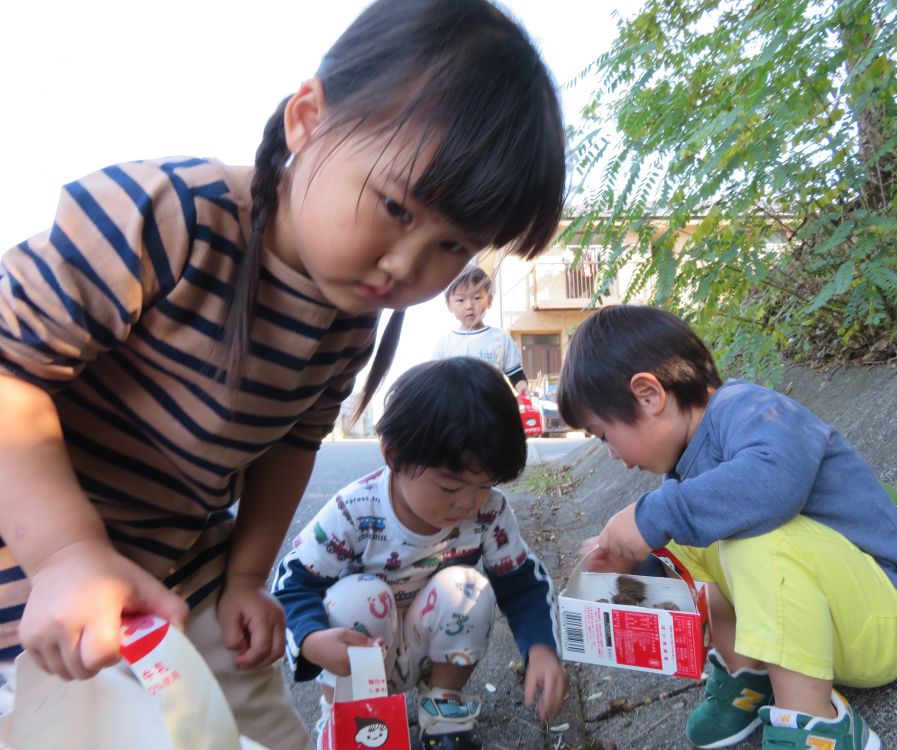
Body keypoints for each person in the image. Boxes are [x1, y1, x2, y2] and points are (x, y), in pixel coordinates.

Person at [0, 1, 565, 747]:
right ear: (307, 118)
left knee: (262, 734)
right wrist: (69, 555)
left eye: (450, 247)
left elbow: (292, 444)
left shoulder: (348, 317)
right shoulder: (168, 218)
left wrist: (245, 578)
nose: (406, 265)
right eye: (395, 206)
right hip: (35, 570)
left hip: (187, 578)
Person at [556, 305, 897, 750]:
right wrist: (632, 564)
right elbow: (688, 541)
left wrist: (652, 517)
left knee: (741, 532)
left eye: (603, 434)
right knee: (683, 542)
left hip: (888, 619)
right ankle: (750, 676)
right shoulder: (685, 469)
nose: (611, 453)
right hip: (825, 633)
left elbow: (771, 486)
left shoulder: (749, 408)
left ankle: (815, 723)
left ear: (648, 394)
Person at [272, 357, 566, 750]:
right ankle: (348, 715)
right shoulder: (354, 511)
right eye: (450, 487)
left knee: (468, 586)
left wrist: (541, 648)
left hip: (430, 649)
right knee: (361, 597)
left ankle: (442, 706)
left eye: (485, 485)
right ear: (392, 454)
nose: (468, 503)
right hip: (357, 657)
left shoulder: (489, 512)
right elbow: (292, 583)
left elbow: (521, 583)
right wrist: (309, 640)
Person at [432, 266, 529, 395]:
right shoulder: (444, 343)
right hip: (456, 411)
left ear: (489, 300)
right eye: (461, 300)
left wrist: (523, 388)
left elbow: (516, 374)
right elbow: (435, 380)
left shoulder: (501, 338)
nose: (469, 306)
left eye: (477, 298)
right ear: (449, 305)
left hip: (492, 409)